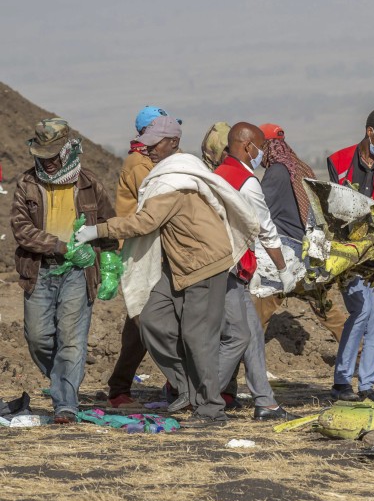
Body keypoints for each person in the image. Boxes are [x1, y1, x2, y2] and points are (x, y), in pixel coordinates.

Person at [75, 116, 259, 425]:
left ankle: (211, 408)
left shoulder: (176, 181)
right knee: (150, 318)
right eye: (145, 145)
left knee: (198, 336)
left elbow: (144, 221)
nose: (148, 151)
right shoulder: (171, 175)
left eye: (154, 145)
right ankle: (186, 387)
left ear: (172, 143)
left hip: (203, 264)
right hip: (178, 264)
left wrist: (98, 230)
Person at [11, 119, 117, 423]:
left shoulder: (89, 183)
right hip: (39, 271)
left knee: (71, 338)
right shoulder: (27, 184)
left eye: (53, 155)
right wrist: (61, 247)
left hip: (78, 273)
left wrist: (109, 264)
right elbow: (21, 229)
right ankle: (62, 379)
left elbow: (107, 225)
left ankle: (66, 403)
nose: (48, 162)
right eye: (43, 155)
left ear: (69, 149)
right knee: (38, 337)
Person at [212, 122, 298, 421]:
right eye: (259, 147)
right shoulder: (246, 183)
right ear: (248, 147)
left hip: (225, 266)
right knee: (237, 336)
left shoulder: (219, 174)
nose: (262, 153)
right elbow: (267, 230)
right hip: (228, 269)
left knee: (252, 336)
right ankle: (203, 398)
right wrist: (283, 269)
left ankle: (266, 402)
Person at [325, 108, 374, 403]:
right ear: (370, 132)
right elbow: (337, 205)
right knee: (361, 311)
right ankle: (342, 380)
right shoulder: (338, 161)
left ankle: (367, 384)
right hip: (347, 247)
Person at [106, 106, 181, 410]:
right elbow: (159, 202)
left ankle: (166, 384)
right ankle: (125, 388)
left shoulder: (148, 160)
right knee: (144, 322)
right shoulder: (141, 164)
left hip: (154, 249)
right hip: (141, 251)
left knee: (146, 321)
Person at [252, 123, 346, 342]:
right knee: (324, 306)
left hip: (284, 254)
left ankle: (247, 357)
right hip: (308, 251)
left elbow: (259, 212)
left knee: (262, 308)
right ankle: (357, 351)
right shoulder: (299, 167)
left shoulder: (275, 172)